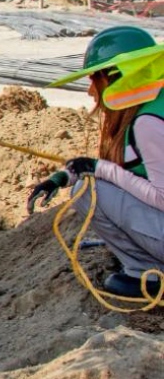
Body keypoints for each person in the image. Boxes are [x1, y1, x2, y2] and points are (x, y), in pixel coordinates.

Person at [28, 25, 164, 299]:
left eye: (94, 79)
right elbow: (118, 168)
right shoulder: (154, 105)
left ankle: (147, 274)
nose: (91, 91)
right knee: (90, 183)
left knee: (87, 191)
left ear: (116, 77)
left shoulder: (147, 123)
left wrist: (102, 169)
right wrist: (62, 178)